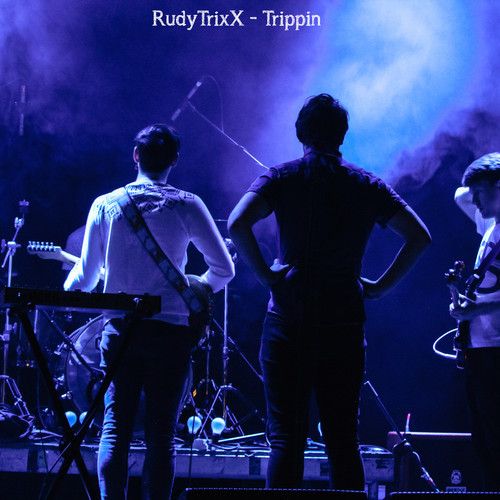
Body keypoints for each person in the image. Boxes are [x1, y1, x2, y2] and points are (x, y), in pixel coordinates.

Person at [228, 94, 431, 490]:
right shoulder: (366, 184)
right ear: (342, 135)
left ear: (300, 133)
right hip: (343, 323)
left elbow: (237, 223)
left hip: (288, 321)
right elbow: (419, 236)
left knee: (286, 440)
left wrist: (267, 275)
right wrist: (380, 287)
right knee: (342, 441)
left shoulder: (282, 177)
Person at [64, 124, 235, 499]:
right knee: (162, 436)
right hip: (171, 333)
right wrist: (195, 287)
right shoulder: (187, 204)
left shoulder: (105, 204)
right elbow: (224, 270)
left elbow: (87, 278)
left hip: (120, 331)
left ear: (135, 155)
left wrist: (68, 285)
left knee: (115, 429)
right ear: (175, 160)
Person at [451, 152, 500, 491]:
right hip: (481, 350)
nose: (475, 202)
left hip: (496, 351)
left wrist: (474, 311)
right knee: (485, 442)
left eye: (480, 193)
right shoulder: (490, 226)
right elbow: (460, 194)